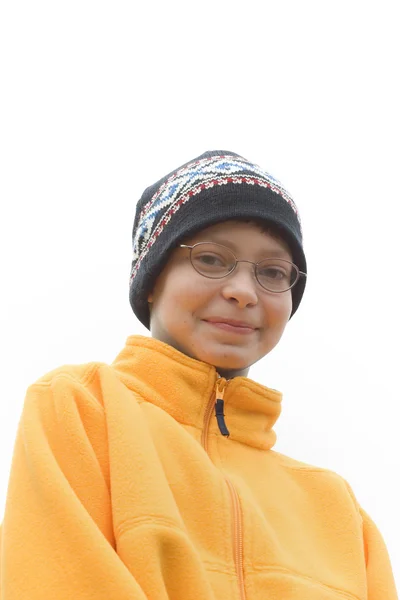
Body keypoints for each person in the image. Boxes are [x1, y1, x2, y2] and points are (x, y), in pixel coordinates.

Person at [0, 150, 397, 599]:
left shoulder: (340, 511)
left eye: (272, 271)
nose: (243, 292)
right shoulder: (83, 408)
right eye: (210, 259)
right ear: (152, 278)